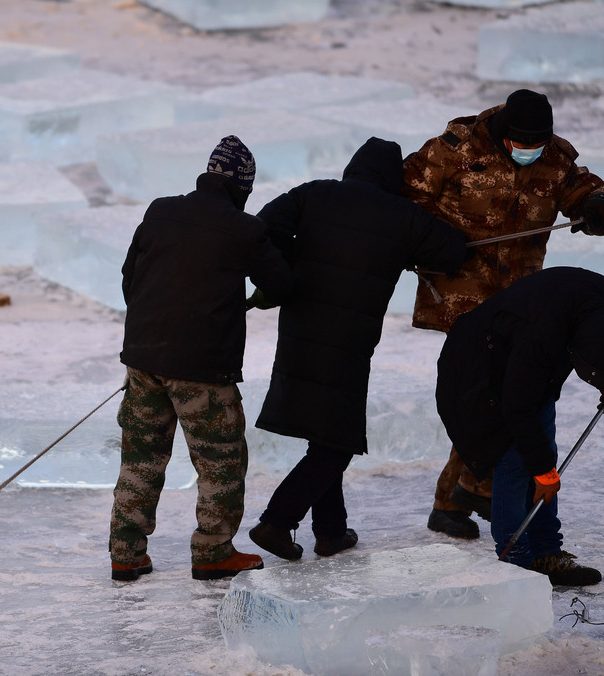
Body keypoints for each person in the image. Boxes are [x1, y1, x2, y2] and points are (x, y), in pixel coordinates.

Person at [245, 137, 468, 561]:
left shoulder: (314, 193)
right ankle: (276, 522)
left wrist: (294, 266)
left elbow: (262, 228)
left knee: (327, 433)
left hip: (299, 328)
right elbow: (453, 252)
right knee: (337, 442)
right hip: (349, 340)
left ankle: (330, 532)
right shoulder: (403, 216)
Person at [403, 89, 604, 539]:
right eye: (523, 142)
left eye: (539, 142)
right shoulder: (454, 149)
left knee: (493, 393)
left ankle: (463, 495)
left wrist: (595, 205)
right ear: (505, 133)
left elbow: (581, 191)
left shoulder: (554, 157)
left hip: (521, 296)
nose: (532, 151)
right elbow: (405, 202)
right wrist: (430, 242)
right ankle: (468, 493)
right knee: (489, 390)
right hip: (462, 291)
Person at [109, 135, 292, 581]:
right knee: (220, 461)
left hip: (144, 360)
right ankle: (213, 552)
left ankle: (126, 553)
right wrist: (260, 295)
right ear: (243, 186)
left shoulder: (161, 210)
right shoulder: (244, 230)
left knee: (141, 459)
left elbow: (129, 278)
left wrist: (152, 333)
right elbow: (284, 284)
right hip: (203, 369)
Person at [436, 266, 604, 586]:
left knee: (544, 452)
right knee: (517, 463)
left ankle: (545, 554)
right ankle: (513, 560)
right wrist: (544, 472)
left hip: (521, 362)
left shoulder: (587, 317)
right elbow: (518, 408)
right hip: (479, 370)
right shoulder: (544, 336)